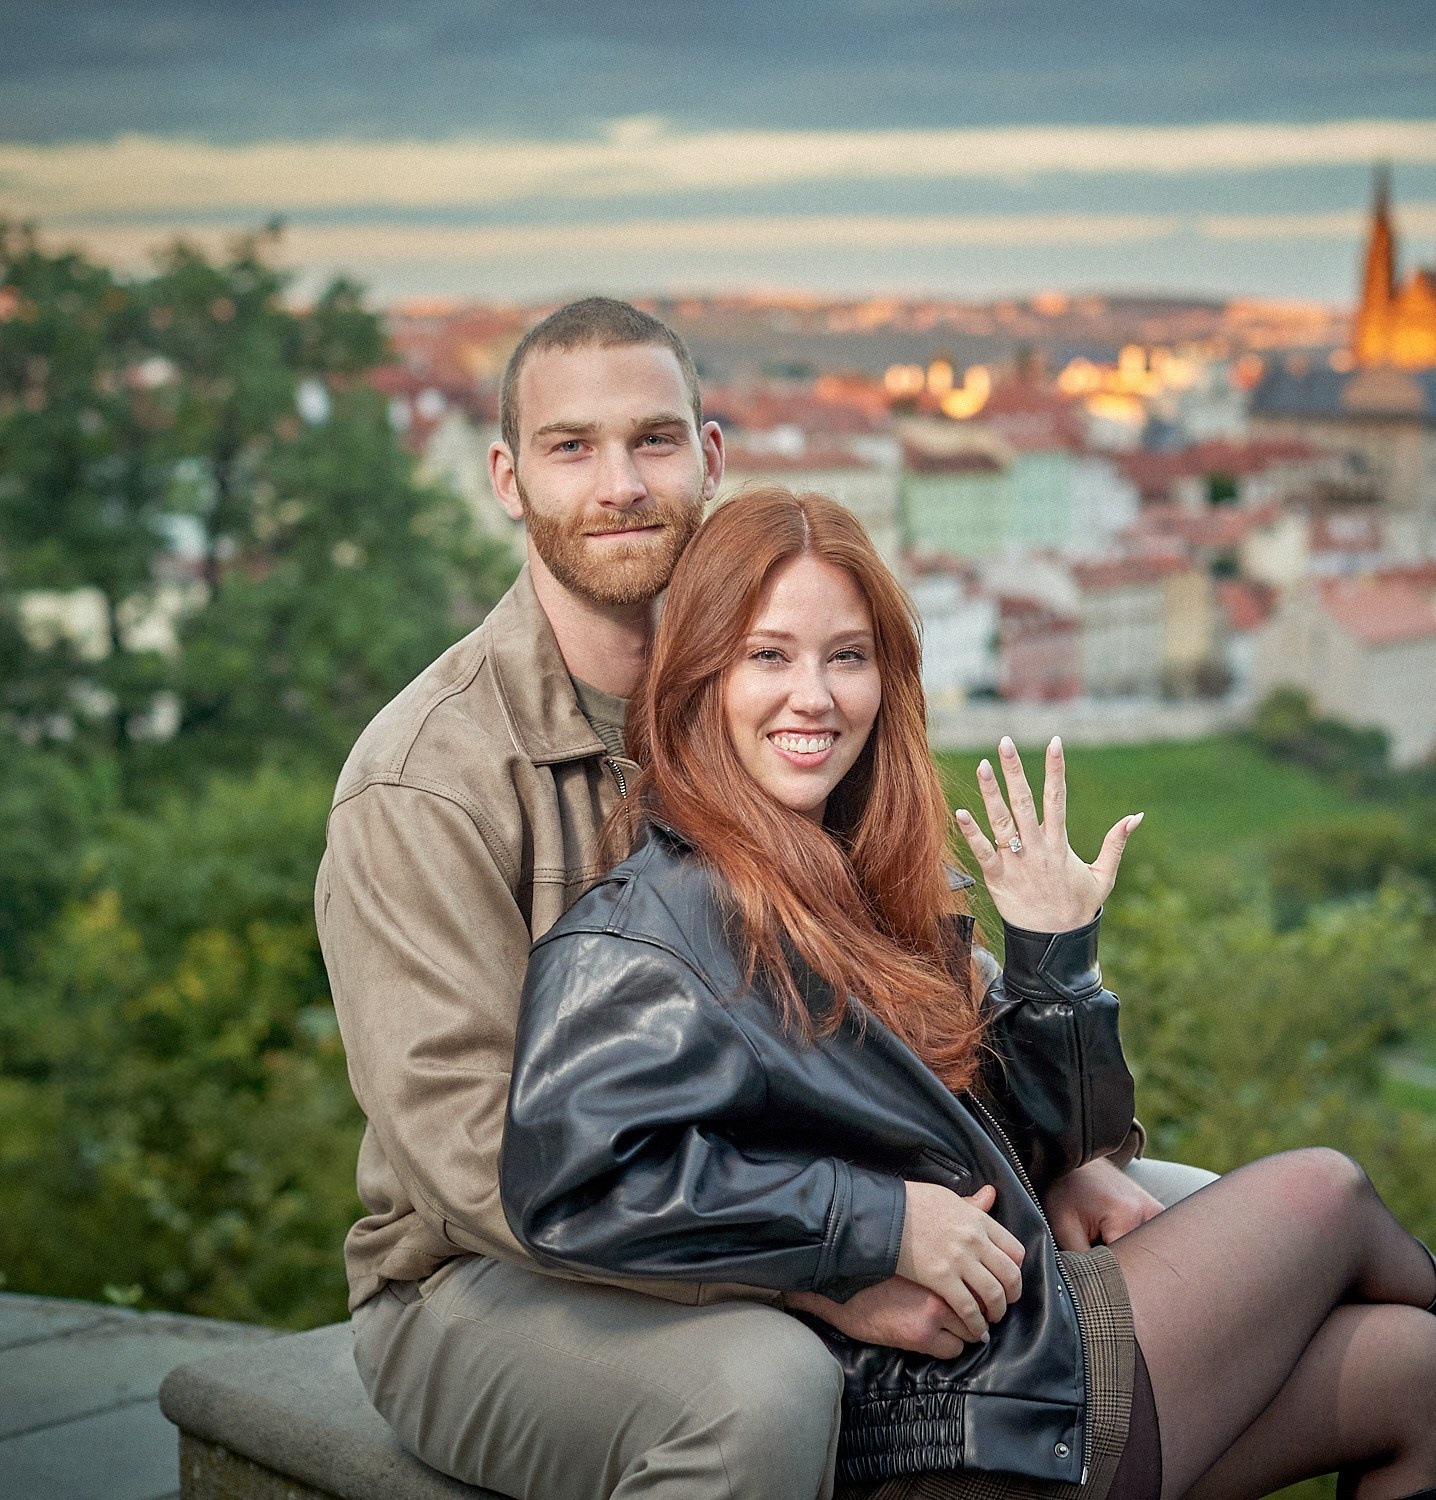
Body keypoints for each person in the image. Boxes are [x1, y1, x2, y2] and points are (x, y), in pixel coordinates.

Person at [500, 489, 1436, 1499]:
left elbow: (1034, 1143)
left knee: (1412, 1372)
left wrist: (1052, 958)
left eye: (846, 657)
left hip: (1002, 1360)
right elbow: (576, 1177)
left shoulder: (851, 883)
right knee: (1323, 1192)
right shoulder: (644, 936)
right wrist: (876, 1227)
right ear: (700, 672)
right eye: (770, 655)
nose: (816, 695)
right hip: (925, 1424)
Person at [319, 298, 1209, 1500]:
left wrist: (1047, 1152)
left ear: (710, 458)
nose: (621, 483)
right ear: (509, 478)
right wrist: (830, 1264)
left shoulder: (766, 697)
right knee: (765, 1386)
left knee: (1204, 1221)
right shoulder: (427, 781)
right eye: (571, 447)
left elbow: (909, 993)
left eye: (654, 441)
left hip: (796, 1196)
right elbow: (481, 1161)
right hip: (487, 1280)